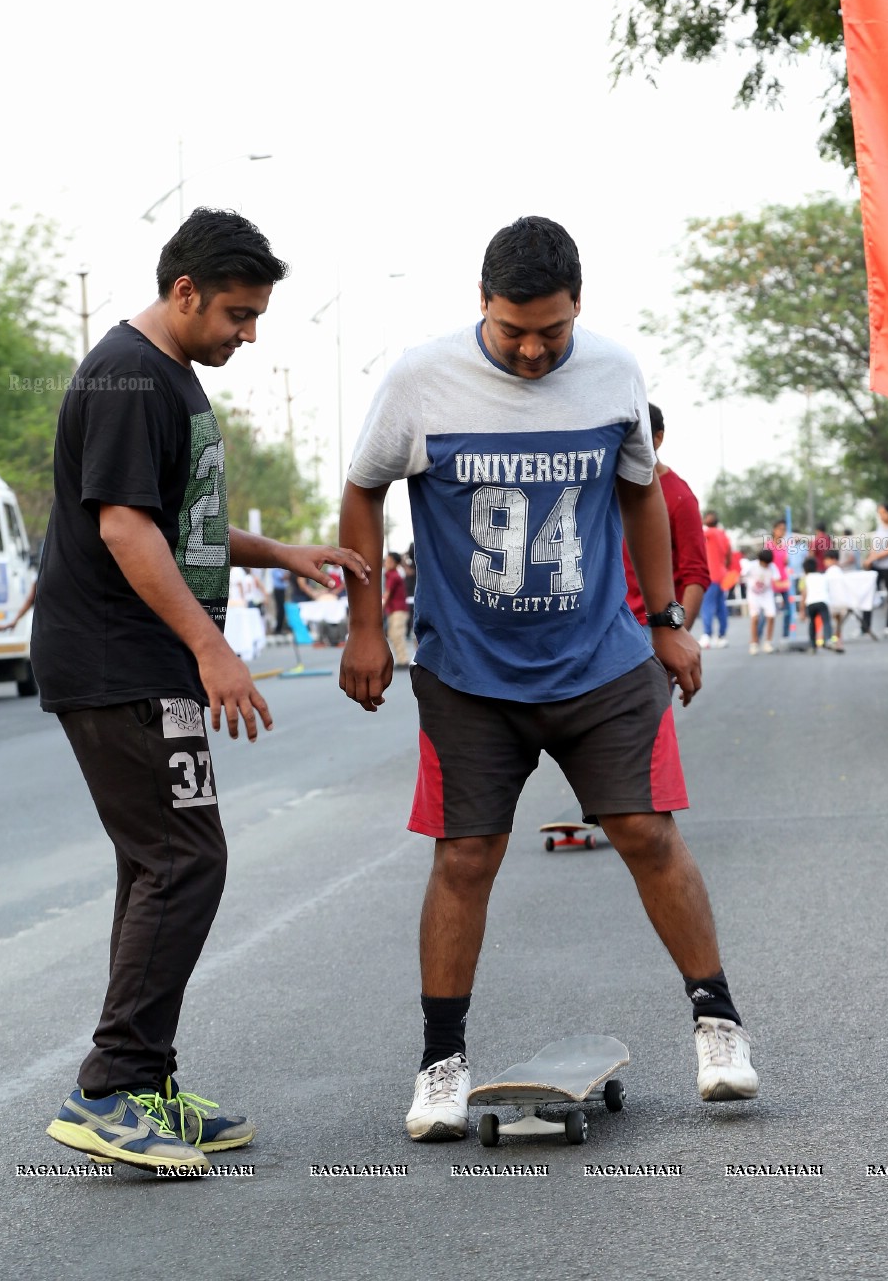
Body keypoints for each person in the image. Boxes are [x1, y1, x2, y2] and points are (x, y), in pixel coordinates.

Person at [339, 215, 758, 1141]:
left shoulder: (612, 371)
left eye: (552, 332)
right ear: (480, 305)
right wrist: (365, 625)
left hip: (602, 662)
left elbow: (641, 491)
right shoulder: (420, 379)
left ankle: (717, 1026)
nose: (533, 350)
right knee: (465, 856)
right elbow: (363, 489)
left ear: (580, 311)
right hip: (467, 670)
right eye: (513, 329)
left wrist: (666, 620)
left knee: (648, 834)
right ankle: (441, 1063)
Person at [31, 207, 370, 1173]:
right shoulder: (130, 376)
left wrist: (276, 551)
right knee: (185, 861)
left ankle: (143, 1083)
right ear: (184, 291)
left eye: (256, 315)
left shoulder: (169, 376)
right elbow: (126, 530)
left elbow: (182, 519)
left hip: (140, 659)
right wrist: (214, 650)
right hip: (119, 660)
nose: (248, 334)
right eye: (236, 313)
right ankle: (107, 1088)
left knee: (159, 865)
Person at [622, 402, 708, 641]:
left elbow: (695, 576)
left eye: (636, 435)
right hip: (609, 629)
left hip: (652, 629)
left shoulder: (680, 498)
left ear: (658, 438)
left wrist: (675, 635)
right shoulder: (605, 489)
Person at [862, 502, 888, 637]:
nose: (882, 516)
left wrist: (874, 557)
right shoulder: (880, 528)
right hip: (877, 566)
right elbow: (875, 546)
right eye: (880, 514)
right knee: (868, 593)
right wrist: (870, 558)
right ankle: (865, 626)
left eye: (884, 513)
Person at [699, 509, 732, 649]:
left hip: (711, 576)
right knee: (720, 606)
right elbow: (729, 554)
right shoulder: (723, 535)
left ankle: (707, 635)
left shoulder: (708, 533)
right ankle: (722, 636)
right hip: (722, 575)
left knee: (707, 606)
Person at [745, 548, 778, 654]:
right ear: (759, 561)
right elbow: (741, 574)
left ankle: (768, 642)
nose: (766, 566)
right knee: (755, 618)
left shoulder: (772, 567)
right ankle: (754, 643)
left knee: (771, 616)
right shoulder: (752, 566)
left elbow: (777, 579)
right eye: (764, 564)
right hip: (753, 595)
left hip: (767, 594)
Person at [764, 519, 793, 640]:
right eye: (780, 529)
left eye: (784, 530)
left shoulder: (785, 546)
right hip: (771, 581)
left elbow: (786, 562)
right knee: (769, 611)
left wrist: (787, 561)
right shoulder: (768, 545)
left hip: (783, 580)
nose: (782, 532)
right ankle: (762, 636)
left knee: (788, 609)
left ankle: (785, 635)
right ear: (774, 530)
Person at [384, 551, 412, 668]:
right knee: (393, 635)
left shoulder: (393, 575)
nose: (386, 563)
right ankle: (401, 659)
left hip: (398, 609)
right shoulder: (390, 574)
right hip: (394, 610)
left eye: (389, 560)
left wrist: (379, 608)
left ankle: (403, 660)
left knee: (397, 634)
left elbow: (387, 594)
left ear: (395, 563)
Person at [800, 556, 832, 651]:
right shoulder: (823, 576)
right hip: (822, 601)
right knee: (826, 621)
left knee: (812, 623)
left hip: (811, 602)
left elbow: (804, 594)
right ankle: (828, 639)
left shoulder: (805, 578)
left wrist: (802, 610)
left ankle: (813, 645)